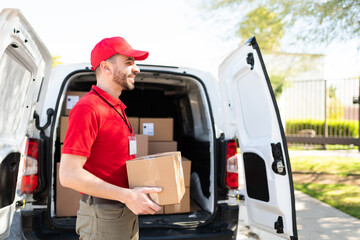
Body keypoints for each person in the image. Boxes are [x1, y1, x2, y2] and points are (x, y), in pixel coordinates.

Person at [59, 36, 162, 240]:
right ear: (106, 67)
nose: (137, 69)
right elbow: (68, 175)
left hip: (124, 210)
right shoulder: (88, 108)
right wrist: (127, 196)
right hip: (104, 216)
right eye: (129, 62)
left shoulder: (117, 108)